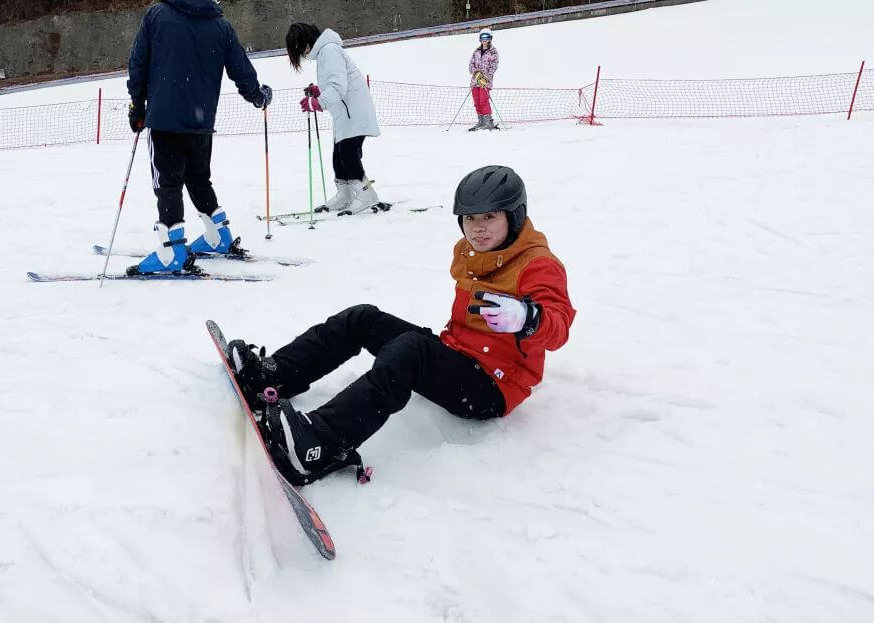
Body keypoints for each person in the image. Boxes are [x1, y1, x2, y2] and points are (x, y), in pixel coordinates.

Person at [224, 166, 576, 485]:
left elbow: (559, 325)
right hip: (458, 355)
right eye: (469, 218)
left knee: (411, 351)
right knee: (363, 318)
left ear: (515, 215)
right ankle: (274, 375)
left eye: (490, 216)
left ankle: (319, 444)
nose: (478, 227)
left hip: (493, 386)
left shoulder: (537, 264)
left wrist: (529, 319)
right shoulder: (473, 251)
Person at [126, 0, 273, 274]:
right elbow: (241, 69)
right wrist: (258, 96)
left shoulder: (157, 14)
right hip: (201, 121)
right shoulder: (220, 26)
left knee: (168, 183)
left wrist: (137, 103)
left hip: (165, 119)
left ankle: (171, 252)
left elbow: (139, 61)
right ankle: (218, 235)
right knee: (198, 178)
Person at [286, 23, 385, 215]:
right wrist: (320, 91)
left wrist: (319, 102)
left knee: (348, 155)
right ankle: (344, 195)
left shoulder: (329, 51)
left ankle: (366, 195)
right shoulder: (325, 52)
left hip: (354, 113)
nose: (303, 55)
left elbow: (339, 86)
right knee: (338, 158)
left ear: (306, 43)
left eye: (300, 49)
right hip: (345, 114)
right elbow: (336, 82)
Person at [468, 28, 500, 132]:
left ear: (490, 39)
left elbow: (494, 66)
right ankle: (481, 121)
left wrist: (485, 77)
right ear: (480, 39)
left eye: (487, 37)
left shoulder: (493, 52)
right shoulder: (476, 52)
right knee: (477, 101)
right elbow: (471, 64)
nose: (484, 40)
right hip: (475, 81)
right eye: (482, 37)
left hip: (485, 82)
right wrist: (476, 73)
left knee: (483, 101)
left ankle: (488, 122)